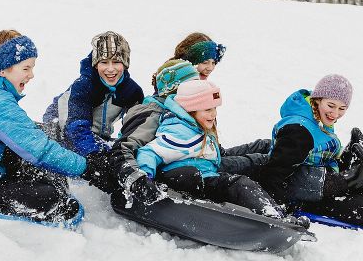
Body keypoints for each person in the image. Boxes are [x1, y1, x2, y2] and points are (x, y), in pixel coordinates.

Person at [0, 30, 107, 223]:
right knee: (58, 204)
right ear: (3, 69)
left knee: (42, 140)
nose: (31, 75)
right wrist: (87, 168)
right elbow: (40, 150)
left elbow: (25, 134)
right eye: (25, 68)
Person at [259, 74, 363, 230]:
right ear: (318, 99)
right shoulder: (299, 130)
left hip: (325, 176)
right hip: (309, 195)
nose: (335, 113)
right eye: (331, 105)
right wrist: (281, 208)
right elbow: (275, 174)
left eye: (342, 108)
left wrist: (345, 158)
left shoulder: (317, 116)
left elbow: (319, 154)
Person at [109, 59, 269, 203]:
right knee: (238, 182)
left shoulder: (193, 115)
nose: (198, 89)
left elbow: (218, 153)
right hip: (179, 174)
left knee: (261, 160)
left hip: (203, 164)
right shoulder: (154, 113)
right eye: (192, 85)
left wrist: (263, 147)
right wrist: (139, 180)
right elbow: (125, 149)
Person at [135, 79, 283, 218]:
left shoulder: (197, 128)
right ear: (191, 111)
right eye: (207, 109)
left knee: (243, 177)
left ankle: (275, 211)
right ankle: (271, 214)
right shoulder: (181, 132)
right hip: (186, 180)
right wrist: (145, 179)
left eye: (214, 108)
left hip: (205, 178)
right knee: (237, 183)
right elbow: (149, 152)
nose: (214, 114)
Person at [42, 31, 144, 190]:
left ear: (125, 63)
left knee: (115, 155)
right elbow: (76, 126)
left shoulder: (132, 92)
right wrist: (94, 156)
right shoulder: (84, 85)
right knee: (99, 158)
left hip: (95, 135)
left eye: (116, 62)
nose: (110, 69)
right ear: (96, 64)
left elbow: (136, 129)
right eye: (104, 62)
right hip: (62, 129)